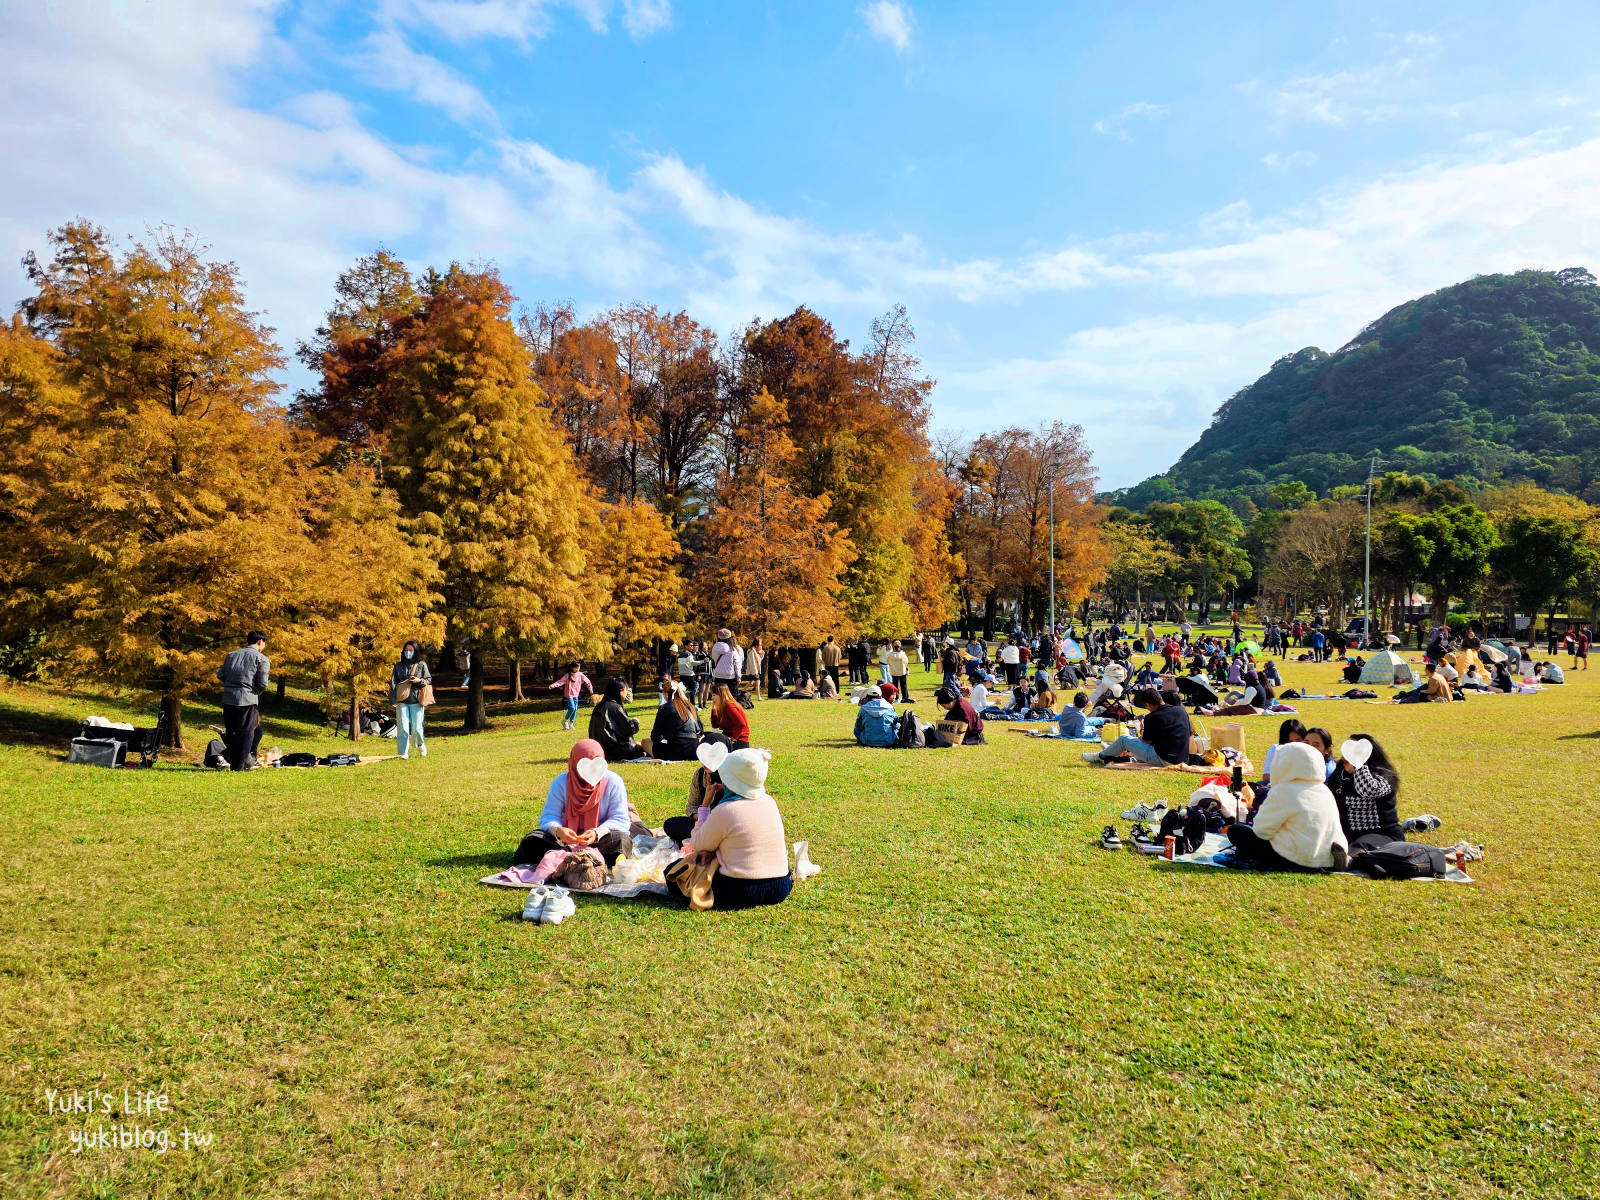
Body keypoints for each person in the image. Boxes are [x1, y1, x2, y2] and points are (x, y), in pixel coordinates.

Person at [670, 748, 792, 911]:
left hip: (741, 890)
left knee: (674, 873)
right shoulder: (770, 802)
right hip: (780, 887)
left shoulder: (726, 809)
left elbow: (698, 844)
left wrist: (705, 805)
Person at [1225, 742, 1347, 871]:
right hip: (1327, 857)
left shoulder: (1283, 790)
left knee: (1236, 831)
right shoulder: (1324, 791)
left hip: (1296, 858)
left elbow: (1261, 831)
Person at [512, 739, 633, 868]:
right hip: (563, 843)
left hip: (601, 841)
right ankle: (583, 860)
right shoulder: (560, 783)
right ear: (574, 763)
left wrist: (596, 833)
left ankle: (567, 861)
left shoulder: (613, 782)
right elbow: (548, 816)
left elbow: (620, 819)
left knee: (621, 840)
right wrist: (558, 831)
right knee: (532, 840)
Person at [1330, 735, 1403, 852]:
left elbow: (1368, 790)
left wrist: (1358, 765)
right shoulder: (1339, 774)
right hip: (1348, 836)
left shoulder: (1384, 776)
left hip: (1384, 835)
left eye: (1355, 751)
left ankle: (1348, 860)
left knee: (1359, 847)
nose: (1346, 756)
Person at [1082, 687, 1189, 767]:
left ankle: (1100, 756)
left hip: (1164, 759)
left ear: (1148, 705)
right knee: (1131, 744)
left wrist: (1141, 729)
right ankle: (1112, 751)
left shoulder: (1152, 716)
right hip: (1183, 759)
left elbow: (1146, 741)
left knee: (1124, 740)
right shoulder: (1181, 711)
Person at [216, 631, 270, 772]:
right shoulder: (261, 659)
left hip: (228, 698)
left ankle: (234, 763)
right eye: (264, 643)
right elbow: (263, 683)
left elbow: (221, 675)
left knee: (232, 731)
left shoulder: (231, 655)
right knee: (247, 732)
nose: (264, 646)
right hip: (247, 699)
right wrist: (254, 692)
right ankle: (239, 766)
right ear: (260, 641)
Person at [390, 641, 432, 759]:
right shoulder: (398, 666)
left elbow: (428, 679)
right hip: (401, 700)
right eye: (406, 650)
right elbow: (393, 683)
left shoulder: (421, 664)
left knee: (417, 726)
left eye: (411, 650)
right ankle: (403, 752)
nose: (408, 652)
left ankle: (420, 744)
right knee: (403, 727)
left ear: (415, 651)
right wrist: (393, 700)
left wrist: (419, 681)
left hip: (417, 700)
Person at [589, 677, 646, 760]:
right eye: (627, 690)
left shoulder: (599, 706)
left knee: (640, 744)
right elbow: (629, 729)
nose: (627, 693)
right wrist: (635, 721)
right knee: (646, 749)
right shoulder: (615, 707)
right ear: (621, 691)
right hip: (615, 752)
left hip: (599, 750)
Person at [649, 682, 703, 761]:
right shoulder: (691, 706)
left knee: (645, 742)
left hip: (675, 751)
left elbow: (655, 737)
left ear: (666, 693)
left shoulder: (665, 707)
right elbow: (700, 731)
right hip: (694, 750)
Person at [547, 659, 591, 731]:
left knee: (575, 709)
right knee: (572, 708)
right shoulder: (567, 676)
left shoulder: (580, 675)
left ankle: (571, 723)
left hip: (576, 695)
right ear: (572, 668)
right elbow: (560, 682)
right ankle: (564, 721)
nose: (578, 669)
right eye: (576, 667)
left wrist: (590, 689)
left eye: (579, 667)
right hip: (569, 695)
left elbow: (588, 682)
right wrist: (553, 685)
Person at [708, 681, 750, 747]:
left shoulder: (730, 706)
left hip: (739, 742)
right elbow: (715, 725)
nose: (712, 698)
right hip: (727, 738)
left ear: (721, 695)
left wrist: (733, 739)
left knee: (711, 740)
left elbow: (741, 724)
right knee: (708, 736)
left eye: (714, 695)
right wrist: (714, 709)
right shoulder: (723, 707)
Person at [710, 628, 741, 694]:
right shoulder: (732, 649)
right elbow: (737, 664)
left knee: (719, 696)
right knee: (732, 697)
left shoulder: (714, 647)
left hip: (718, 675)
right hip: (730, 676)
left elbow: (713, 659)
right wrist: (738, 677)